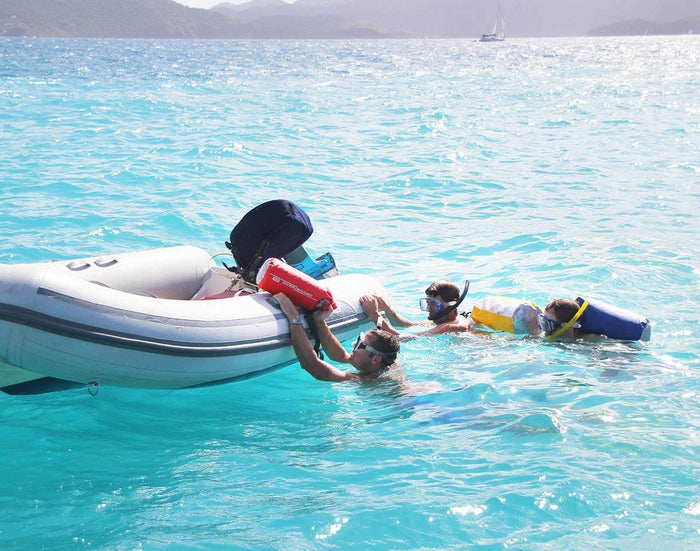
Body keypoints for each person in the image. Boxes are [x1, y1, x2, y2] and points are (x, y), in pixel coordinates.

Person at [274, 292, 400, 382]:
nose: (353, 344)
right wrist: (319, 321)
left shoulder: (368, 380)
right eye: (358, 340)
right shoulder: (381, 363)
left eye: (360, 344)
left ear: (376, 359)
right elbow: (341, 356)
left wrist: (294, 319)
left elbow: (312, 364)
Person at [365, 280, 472, 336]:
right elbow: (407, 325)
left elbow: (401, 338)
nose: (429, 309)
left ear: (452, 304)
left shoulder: (451, 326)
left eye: (434, 305)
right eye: (428, 303)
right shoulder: (445, 320)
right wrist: (388, 309)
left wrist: (374, 315)